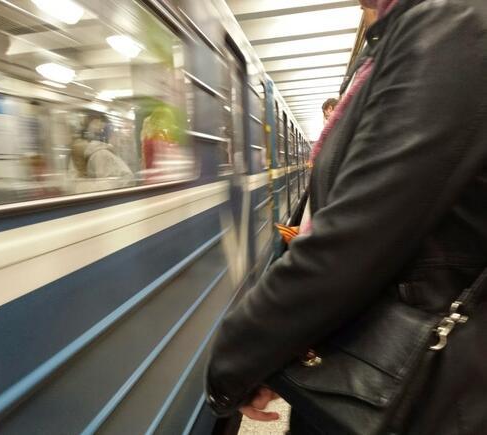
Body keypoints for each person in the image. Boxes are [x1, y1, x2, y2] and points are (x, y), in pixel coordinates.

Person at [205, 0, 487, 434]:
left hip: (420, 380)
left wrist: (237, 357)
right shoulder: (396, 40)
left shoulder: (452, 23)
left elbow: (357, 235)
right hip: (389, 363)